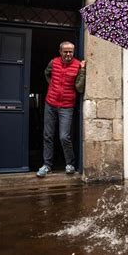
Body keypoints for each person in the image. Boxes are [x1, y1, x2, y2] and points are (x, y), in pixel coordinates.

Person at [37, 41, 86, 177]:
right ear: (60, 52)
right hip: (50, 103)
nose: (68, 54)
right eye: (66, 51)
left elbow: (80, 88)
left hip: (67, 106)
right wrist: (52, 86)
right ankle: (47, 165)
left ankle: (70, 164)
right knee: (48, 135)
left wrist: (82, 71)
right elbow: (46, 73)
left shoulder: (77, 65)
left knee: (64, 136)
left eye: (71, 51)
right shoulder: (53, 63)